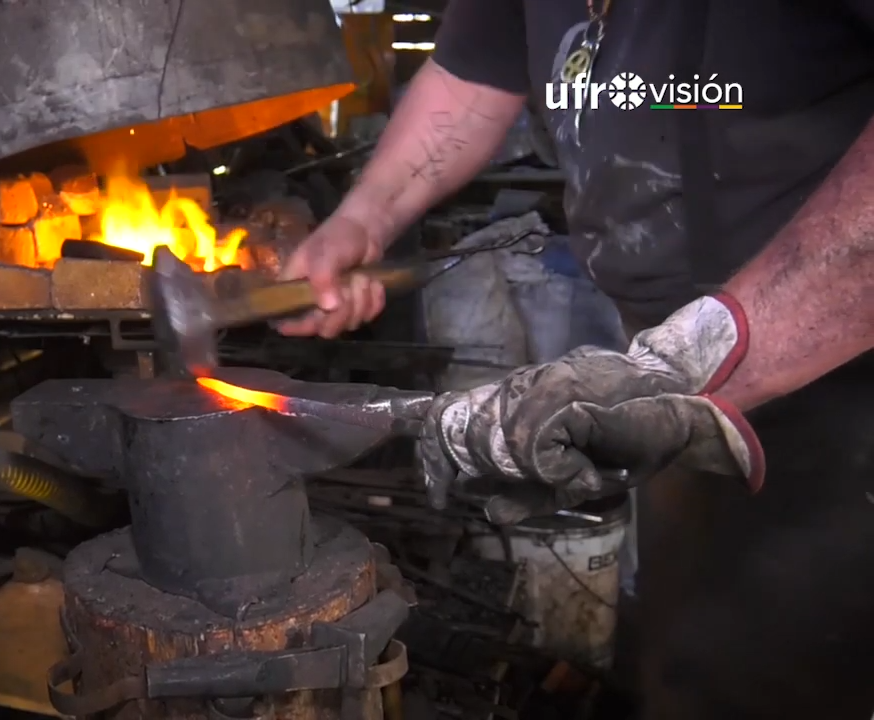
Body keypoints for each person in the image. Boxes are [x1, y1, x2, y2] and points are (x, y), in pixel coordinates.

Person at [277, 1, 874, 718]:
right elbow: (473, 76)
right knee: (694, 664)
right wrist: (362, 219)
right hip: (686, 381)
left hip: (842, 374)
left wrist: (695, 356)